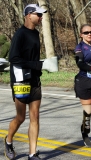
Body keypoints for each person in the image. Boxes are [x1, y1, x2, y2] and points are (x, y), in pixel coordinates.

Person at [4, 4, 47, 160]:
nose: (41, 18)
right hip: (20, 81)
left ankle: (32, 153)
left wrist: (40, 67)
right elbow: (13, 58)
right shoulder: (20, 34)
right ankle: (8, 141)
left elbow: (32, 57)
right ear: (29, 15)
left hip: (35, 79)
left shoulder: (36, 33)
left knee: (35, 116)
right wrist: (34, 64)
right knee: (21, 118)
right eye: (39, 15)